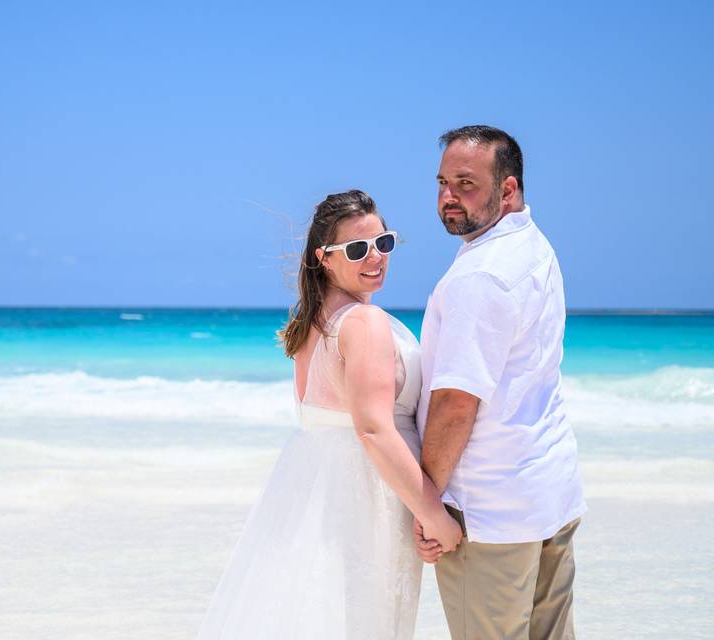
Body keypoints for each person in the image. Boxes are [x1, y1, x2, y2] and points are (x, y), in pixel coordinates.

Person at [196, 190, 461, 640]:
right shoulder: (363, 323)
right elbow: (373, 430)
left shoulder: (310, 325)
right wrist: (435, 516)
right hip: (366, 498)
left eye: (384, 243)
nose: (375, 257)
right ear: (324, 258)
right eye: (357, 249)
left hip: (318, 492)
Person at [413, 125, 587, 639]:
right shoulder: (534, 245)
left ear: (507, 189)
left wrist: (428, 504)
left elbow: (455, 404)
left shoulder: (481, 276)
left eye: (465, 184)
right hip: (548, 494)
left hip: (491, 512)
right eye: (442, 183)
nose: (448, 197)